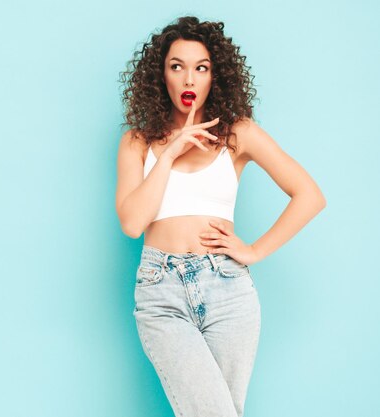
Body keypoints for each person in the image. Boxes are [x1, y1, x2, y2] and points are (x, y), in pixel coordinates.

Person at [115, 16, 326, 417]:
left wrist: (255, 251)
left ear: (215, 76)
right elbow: (132, 223)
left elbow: (310, 195)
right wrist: (171, 152)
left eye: (201, 67)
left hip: (228, 289)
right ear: (162, 76)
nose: (189, 79)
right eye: (177, 66)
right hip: (161, 292)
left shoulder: (238, 134)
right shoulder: (136, 143)